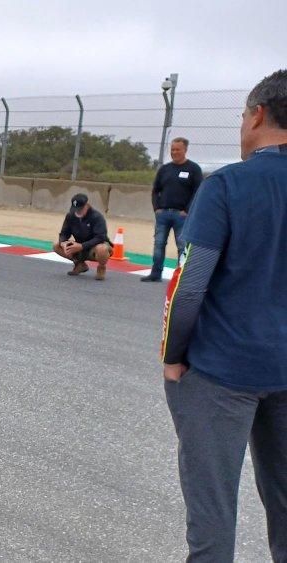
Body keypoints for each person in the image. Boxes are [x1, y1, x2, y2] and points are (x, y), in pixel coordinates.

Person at [161, 69, 287, 562]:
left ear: (257, 115)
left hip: (223, 372)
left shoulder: (228, 184)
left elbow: (190, 283)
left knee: (212, 517)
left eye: (241, 116)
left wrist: (173, 356)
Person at [142, 137, 203, 282]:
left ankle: (181, 276)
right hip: (163, 214)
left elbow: (198, 192)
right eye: (172, 150)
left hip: (182, 215)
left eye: (178, 150)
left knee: (182, 246)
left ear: (185, 150)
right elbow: (156, 190)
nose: (174, 152)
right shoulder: (164, 169)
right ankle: (156, 273)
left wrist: (187, 210)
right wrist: (157, 208)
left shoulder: (193, 169)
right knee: (159, 243)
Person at [52, 193, 112, 281]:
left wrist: (81, 246)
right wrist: (63, 242)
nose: (78, 212)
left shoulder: (97, 217)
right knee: (56, 245)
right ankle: (79, 264)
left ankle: (101, 267)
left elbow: (100, 237)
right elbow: (64, 233)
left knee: (102, 248)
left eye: (80, 209)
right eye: (76, 209)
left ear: (87, 205)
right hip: (79, 245)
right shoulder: (70, 216)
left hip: (94, 246)